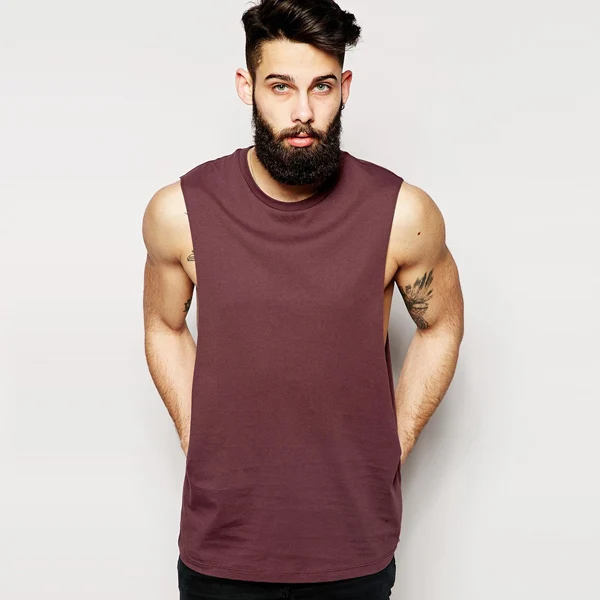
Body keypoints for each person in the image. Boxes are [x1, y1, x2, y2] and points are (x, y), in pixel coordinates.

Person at [142, 0, 464, 597]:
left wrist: (391, 443)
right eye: (280, 86)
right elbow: (164, 326)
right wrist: (197, 433)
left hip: (353, 550)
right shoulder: (180, 212)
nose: (303, 113)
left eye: (321, 87)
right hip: (222, 551)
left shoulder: (403, 214)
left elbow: (440, 325)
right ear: (247, 87)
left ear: (345, 87)